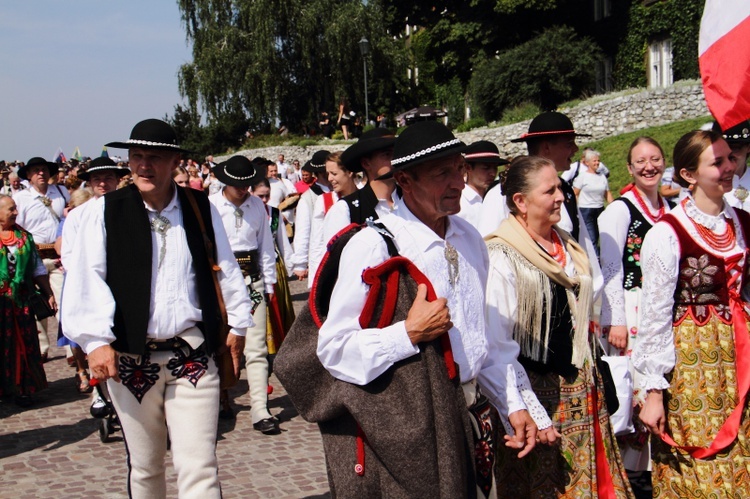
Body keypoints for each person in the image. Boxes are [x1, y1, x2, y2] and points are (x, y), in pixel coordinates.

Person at [277, 122, 539, 497]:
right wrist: (408, 333)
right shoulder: (374, 245)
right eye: (441, 173)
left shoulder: (470, 240)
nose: (458, 183)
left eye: (459, 169)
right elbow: (334, 351)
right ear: (405, 179)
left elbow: (487, 342)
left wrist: (512, 404)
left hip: (470, 420)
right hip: (409, 429)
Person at [61, 119, 253, 497]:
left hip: (193, 354)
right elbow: (87, 279)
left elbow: (226, 268)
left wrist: (239, 324)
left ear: (175, 161)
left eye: (155, 157)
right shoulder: (102, 213)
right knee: (146, 468)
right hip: (131, 360)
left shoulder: (200, 207)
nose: (144, 165)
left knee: (200, 466)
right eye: (137, 157)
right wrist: (96, 339)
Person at [483, 155, 633, 497]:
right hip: (535, 390)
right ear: (520, 201)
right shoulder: (501, 255)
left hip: (582, 385)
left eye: (560, 188)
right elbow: (496, 341)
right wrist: (525, 408)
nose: (560, 196)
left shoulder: (568, 244)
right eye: (549, 190)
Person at [634, 130, 750, 497]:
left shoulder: (743, 224)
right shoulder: (668, 234)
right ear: (688, 175)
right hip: (691, 366)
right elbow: (654, 316)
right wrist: (652, 391)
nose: (730, 167)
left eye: (731, 158)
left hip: (740, 356)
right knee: (701, 464)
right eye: (718, 162)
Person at [597, 137, 671, 477]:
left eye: (655, 159)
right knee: (632, 388)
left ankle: (657, 466)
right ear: (629, 168)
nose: (648, 167)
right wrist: (616, 321)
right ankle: (632, 475)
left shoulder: (668, 209)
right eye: (640, 161)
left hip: (658, 308)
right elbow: (611, 267)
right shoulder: (620, 209)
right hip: (632, 305)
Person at [209, 156, 280, 432]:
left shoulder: (257, 207)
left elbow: (265, 246)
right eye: (237, 184)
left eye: (247, 184)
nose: (242, 189)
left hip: (252, 281)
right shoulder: (211, 205)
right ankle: (215, 402)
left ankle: (260, 408)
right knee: (217, 344)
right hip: (220, 283)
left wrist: (269, 283)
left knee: (257, 345)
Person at [14, 157, 70, 362]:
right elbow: (16, 227)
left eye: (44, 170)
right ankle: (41, 348)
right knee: (37, 304)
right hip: (33, 255)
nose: (41, 173)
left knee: (64, 301)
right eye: (36, 170)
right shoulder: (21, 198)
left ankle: (72, 350)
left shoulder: (61, 192)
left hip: (57, 257)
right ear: (28, 176)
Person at [0, 195, 53, 407]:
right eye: (11, 209)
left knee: (25, 342)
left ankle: (24, 387)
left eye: (15, 209)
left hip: (21, 300)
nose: (15, 213)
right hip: (1, 301)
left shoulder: (24, 237)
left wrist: (49, 292)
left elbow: (38, 268)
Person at [322, 128, 397, 244]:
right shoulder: (344, 210)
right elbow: (336, 259)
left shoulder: (411, 199)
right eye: (387, 155)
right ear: (366, 163)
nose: (395, 160)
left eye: (396, 153)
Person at [307, 151, 358, 285]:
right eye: (327, 174)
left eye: (334, 174)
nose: (329, 178)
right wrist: (316, 280)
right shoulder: (324, 201)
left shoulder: (367, 198)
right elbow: (317, 242)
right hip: (335, 274)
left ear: (349, 172)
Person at [290, 150, 331, 281]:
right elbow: (303, 231)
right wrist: (301, 263)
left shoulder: (339, 192)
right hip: (320, 253)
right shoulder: (308, 198)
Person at [456, 140, 509, 229]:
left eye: (495, 168)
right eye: (486, 168)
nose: (492, 173)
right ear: (468, 167)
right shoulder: (460, 204)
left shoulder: (499, 197)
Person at [572, 148, 613, 253]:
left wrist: (613, 207)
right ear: (587, 163)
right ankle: (595, 262)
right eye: (594, 161)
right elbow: (575, 193)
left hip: (599, 209)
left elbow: (607, 193)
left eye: (598, 160)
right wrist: (575, 209)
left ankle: (600, 257)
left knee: (601, 235)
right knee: (592, 237)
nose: (597, 163)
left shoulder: (602, 177)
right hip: (586, 210)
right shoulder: (582, 177)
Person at [717, 120, 750, 210]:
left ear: (748, 148)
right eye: (722, 149)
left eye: (735, 147)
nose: (729, 154)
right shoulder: (707, 186)